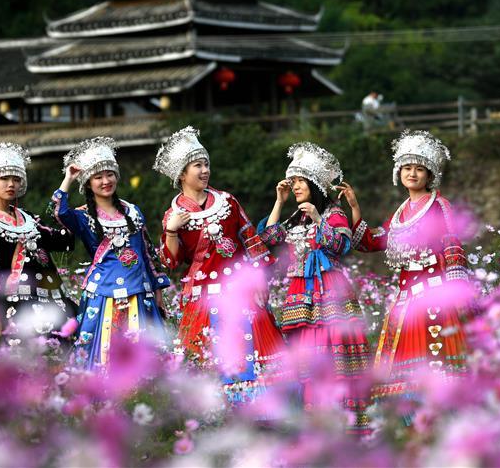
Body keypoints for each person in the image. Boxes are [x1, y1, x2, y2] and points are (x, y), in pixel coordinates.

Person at [337, 129, 469, 424]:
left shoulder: (439, 206)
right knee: (405, 379)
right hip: (404, 304)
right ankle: (413, 430)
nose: (412, 173)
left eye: (419, 169)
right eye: (407, 167)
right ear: (399, 172)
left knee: (435, 369)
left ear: (429, 174)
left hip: (434, 301)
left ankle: (442, 428)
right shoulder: (399, 214)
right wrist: (355, 207)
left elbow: (452, 246)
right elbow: (371, 242)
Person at [153, 126, 286, 404]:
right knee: (207, 358)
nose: (204, 171)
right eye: (197, 165)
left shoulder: (227, 201)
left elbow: (251, 241)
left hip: (240, 291)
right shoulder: (172, 215)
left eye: (206, 164)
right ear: (181, 174)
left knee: (250, 352)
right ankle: (214, 415)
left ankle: (260, 412)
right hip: (202, 296)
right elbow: (170, 262)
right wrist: (171, 232)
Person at [258, 142, 372, 435]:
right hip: (300, 296)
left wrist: (320, 219)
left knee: (335, 356)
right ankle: (313, 425)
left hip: (329, 292)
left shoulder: (333, 214)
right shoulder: (296, 217)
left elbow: (341, 246)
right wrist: (280, 201)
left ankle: (343, 424)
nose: (294, 186)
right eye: (292, 181)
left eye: (298, 181)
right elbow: (269, 238)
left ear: (314, 183)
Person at [50, 137, 169, 370]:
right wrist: (68, 179)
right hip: (103, 295)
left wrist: (158, 289)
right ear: (88, 184)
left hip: (140, 291)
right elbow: (57, 213)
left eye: (110, 174)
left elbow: (147, 252)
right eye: (98, 177)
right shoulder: (83, 217)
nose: (106, 181)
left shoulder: (133, 211)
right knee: (103, 354)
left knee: (145, 357)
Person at [0, 142, 77, 344]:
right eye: (4, 178)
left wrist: (67, 185)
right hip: (16, 304)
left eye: (16, 179)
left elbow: (63, 240)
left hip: (52, 300)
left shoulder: (28, 218)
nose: (11, 184)